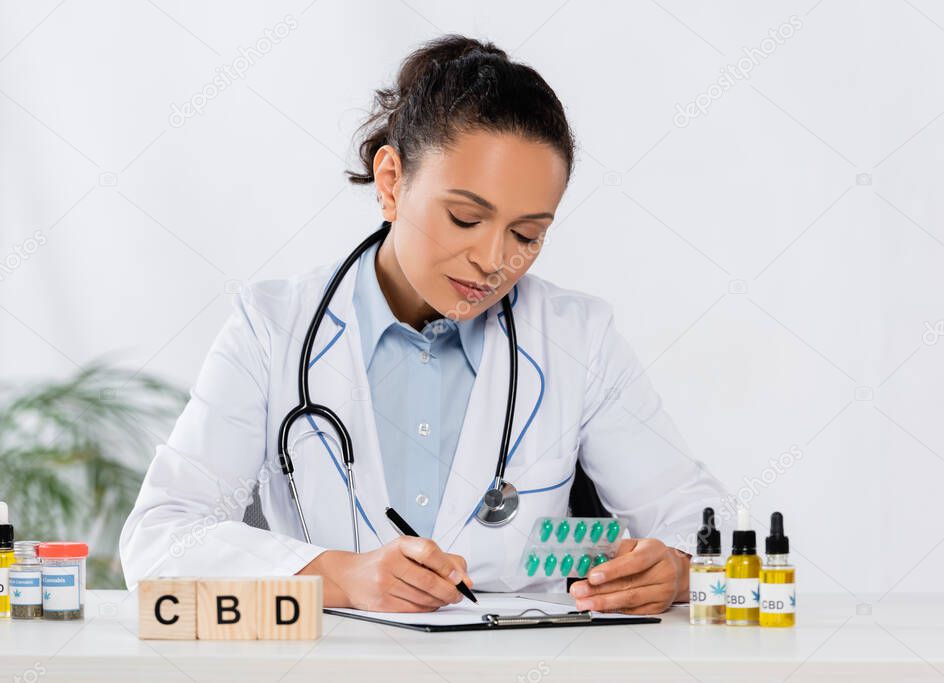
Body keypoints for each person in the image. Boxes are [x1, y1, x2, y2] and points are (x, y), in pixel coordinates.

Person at [120, 34, 727, 615]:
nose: (494, 260)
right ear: (391, 182)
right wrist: (342, 577)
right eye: (465, 218)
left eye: (527, 234)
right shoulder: (271, 328)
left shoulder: (577, 338)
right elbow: (159, 542)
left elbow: (707, 525)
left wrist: (674, 571)